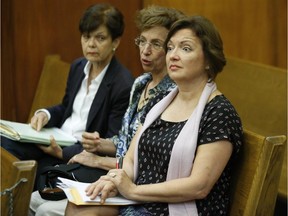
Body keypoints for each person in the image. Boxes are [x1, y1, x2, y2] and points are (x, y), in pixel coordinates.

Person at [65, 15, 244, 216]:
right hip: (144, 200)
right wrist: (114, 179)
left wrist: (132, 190)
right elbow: (131, 159)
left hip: (181, 208)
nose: (173, 56)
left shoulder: (219, 112)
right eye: (170, 48)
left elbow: (198, 186)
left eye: (185, 49)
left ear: (209, 61)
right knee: (78, 206)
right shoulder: (159, 101)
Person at [29, 5, 185, 216]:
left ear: (171, 48)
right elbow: (125, 139)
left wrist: (98, 159)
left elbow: (146, 160)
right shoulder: (141, 83)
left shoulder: (173, 95)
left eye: (156, 44)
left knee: (45, 208)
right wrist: (100, 143)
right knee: (34, 198)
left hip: (135, 184)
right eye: (142, 41)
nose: (145, 50)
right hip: (116, 173)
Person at [1, 3, 134, 180]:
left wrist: (61, 153)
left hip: (79, 152)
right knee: (4, 144)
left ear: (115, 42)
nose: (91, 44)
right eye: (86, 37)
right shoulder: (78, 66)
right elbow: (66, 108)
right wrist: (45, 114)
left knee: (39, 175)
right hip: (54, 137)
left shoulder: (123, 84)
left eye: (100, 38)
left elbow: (111, 141)